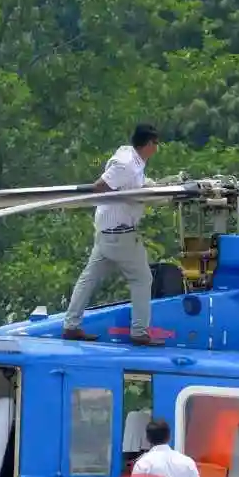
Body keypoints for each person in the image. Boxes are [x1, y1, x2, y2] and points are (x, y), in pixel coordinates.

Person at [62, 124, 162, 346]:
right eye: (156, 143)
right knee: (142, 279)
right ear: (148, 144)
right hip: (121, 235)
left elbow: (125, 183)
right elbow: (100, 186)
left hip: (106, 234)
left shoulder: (131, 157)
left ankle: (71, 325)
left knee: (88, 279)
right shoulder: (127, 164)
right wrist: (126, 197)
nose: (157, 148)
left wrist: (143, 188)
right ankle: (140, 331)